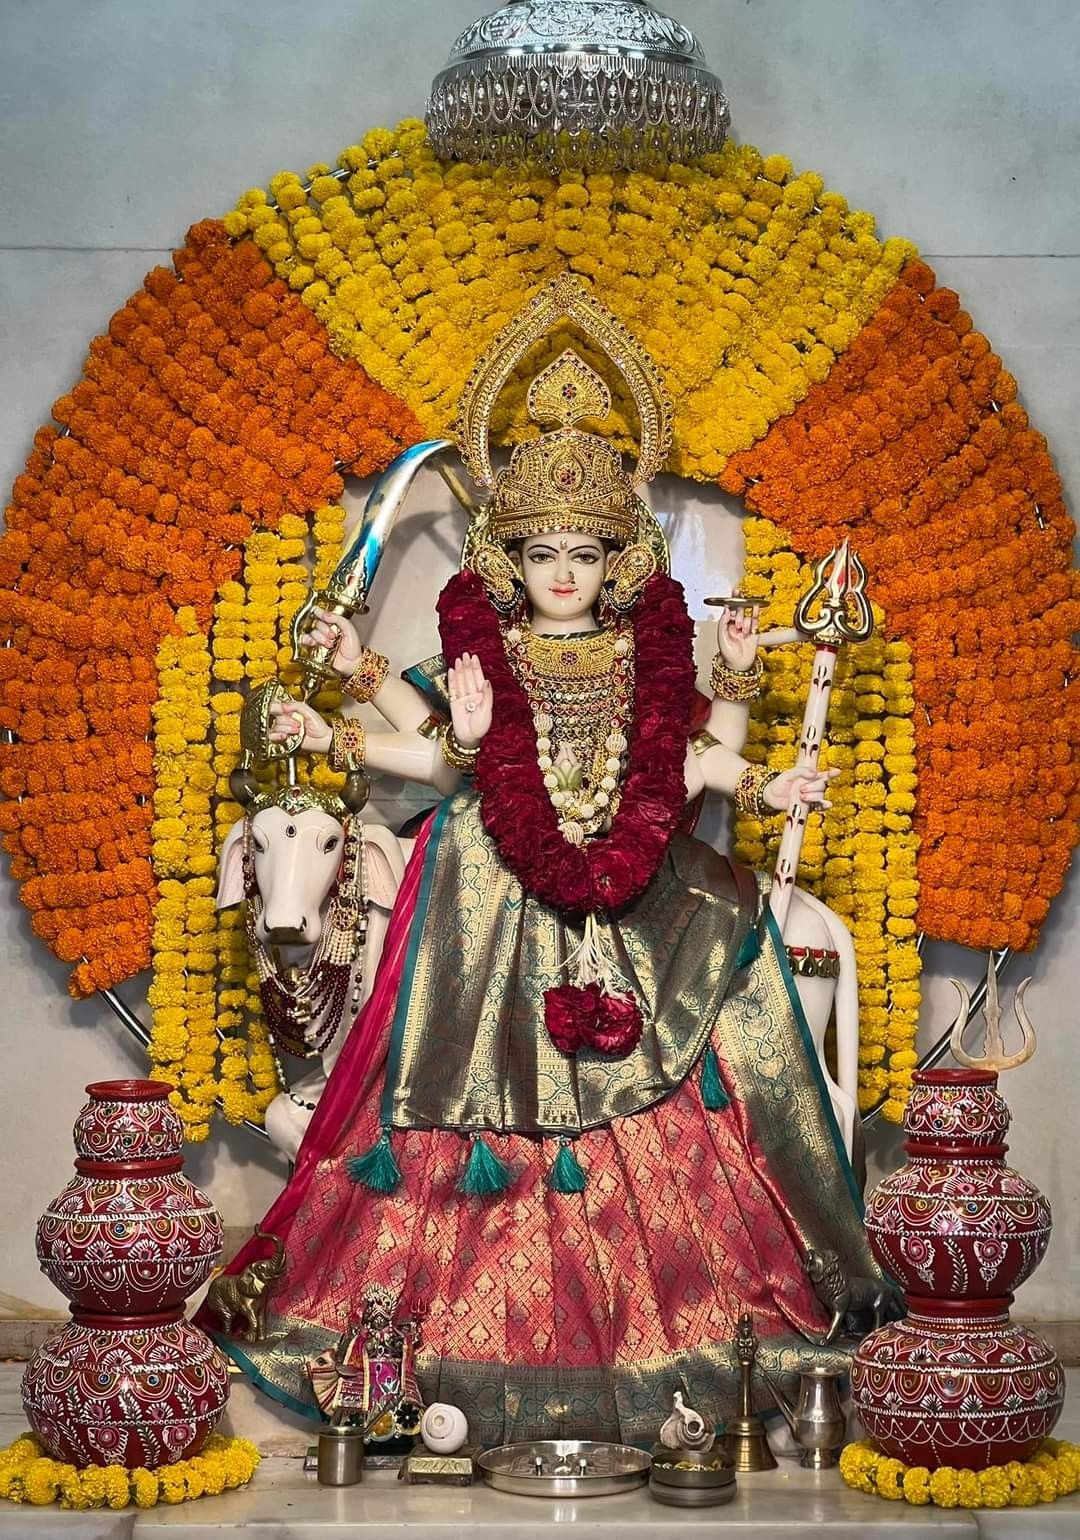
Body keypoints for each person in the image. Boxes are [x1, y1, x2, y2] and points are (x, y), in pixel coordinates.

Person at [206, 278, 878, 1445]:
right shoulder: (487, 651)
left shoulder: (638, 656)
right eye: (541, 551)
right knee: (454, 1108)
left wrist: (764, 778)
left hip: (636, 893)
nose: (563, 572)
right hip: (486, 896)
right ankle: (441, 1347)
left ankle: (678, 1338)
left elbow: (682, 763)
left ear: (618, 557)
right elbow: (437, 756)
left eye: (584, 551)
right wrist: (347, 718)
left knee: (682, 1090)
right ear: (506, 556)